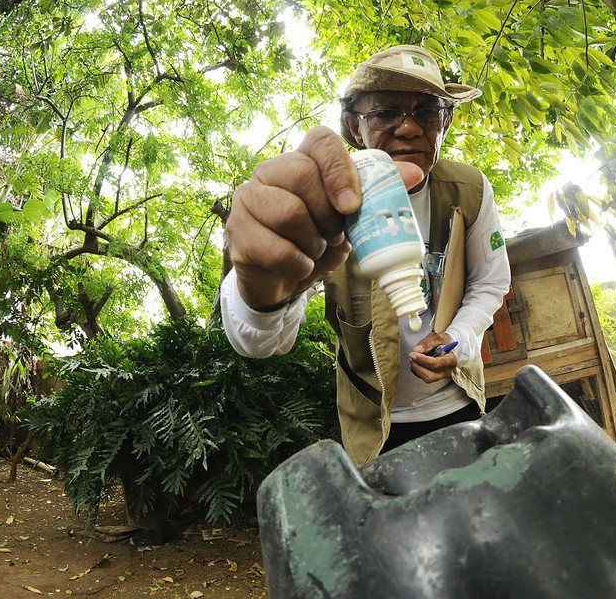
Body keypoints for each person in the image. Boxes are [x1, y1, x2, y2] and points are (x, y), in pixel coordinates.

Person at [219, 45, 511, 464]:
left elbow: (490, 282)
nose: (408, 129)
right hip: (375, 430)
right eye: (385, 113)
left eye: (426, 111)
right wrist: (262, 297)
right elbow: (263, 342)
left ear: (445, 121)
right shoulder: (327, 201)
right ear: (354, 127)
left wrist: (458, 343)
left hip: (460, 407)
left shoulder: (470, 190)